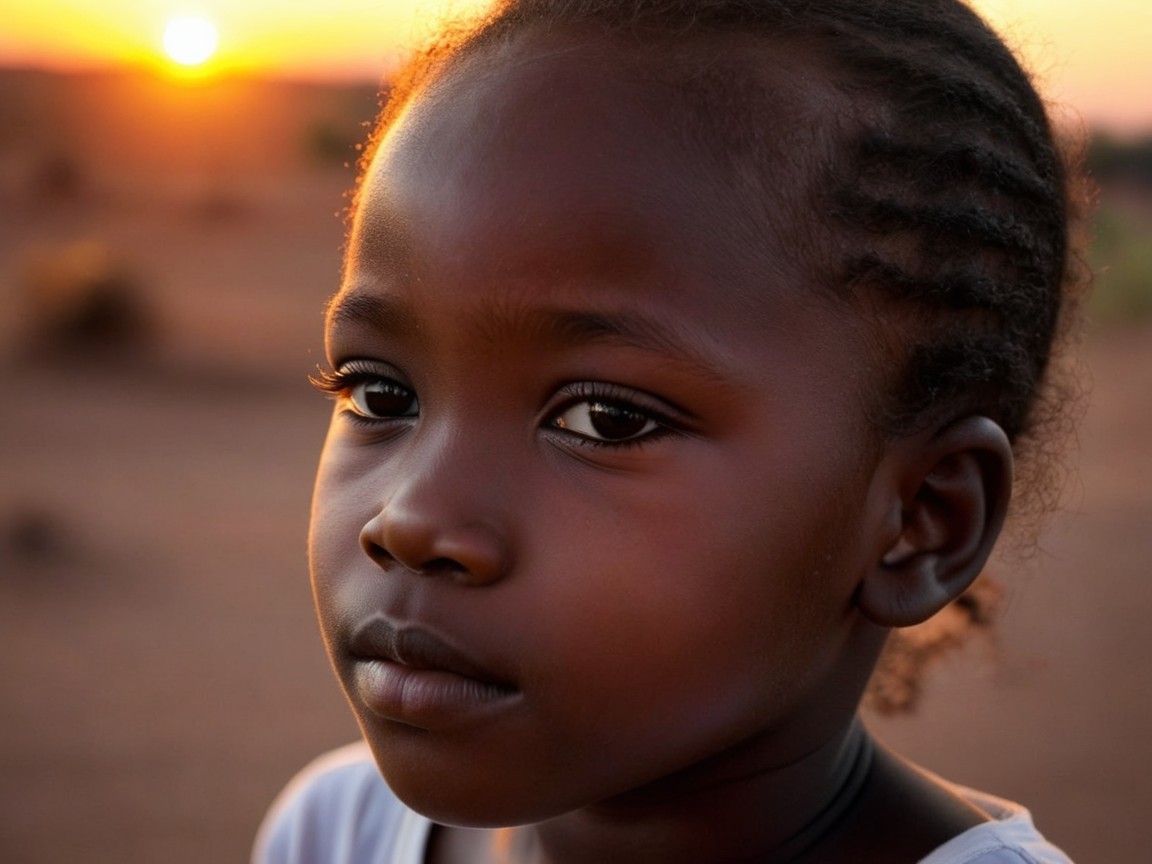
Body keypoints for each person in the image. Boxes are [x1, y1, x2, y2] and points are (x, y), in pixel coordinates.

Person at [254, 0, 1087, 860]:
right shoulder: (334, 832)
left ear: (921, 522)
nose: (411, 522)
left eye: (604, 421)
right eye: (381, 395)